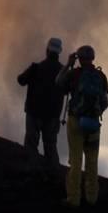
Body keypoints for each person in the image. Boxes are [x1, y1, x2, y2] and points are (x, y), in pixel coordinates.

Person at [55, 44, 108, 207]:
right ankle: (92, 198)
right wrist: (93, 113)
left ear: (79, 58)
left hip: (76, 122)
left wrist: (68, 64)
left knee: (76, 161)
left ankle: (74, 199)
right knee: (92, 162)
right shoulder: (101, 76)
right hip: (93, 125)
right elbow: (105, 103)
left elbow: (58, 83)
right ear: (92, 58)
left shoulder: (74, 74)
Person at [17, 37, 66, 165]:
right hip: (52, 116)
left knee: (31, 143)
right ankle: (53, 177)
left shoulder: (36, 68)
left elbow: (21, 80)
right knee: (50, 146)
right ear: (59, 52)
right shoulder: (63, 73)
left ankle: (31, 173)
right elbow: (67, 90)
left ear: (47, 49)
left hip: (34, 113)